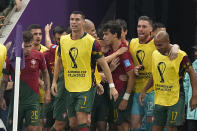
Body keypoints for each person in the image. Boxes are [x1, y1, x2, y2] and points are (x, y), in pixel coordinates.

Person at [51, 11, 118, 131]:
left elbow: (102, 64)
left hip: (85, 87)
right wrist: (54, 82)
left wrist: (111, 86)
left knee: (83, 119)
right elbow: (59, 62)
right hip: (68, 86)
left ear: (83, 22)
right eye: (72, 19)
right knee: (72, 123)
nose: (74, 22)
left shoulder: (92, 43)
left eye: (77, 20)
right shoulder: (63, 40)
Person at [139, 31, 197, 131]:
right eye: (156, 45)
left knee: (171, 127)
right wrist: (144, 90)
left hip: (176, 98)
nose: (158, 47)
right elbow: (154, 74)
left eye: (160, 45)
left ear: (168, 41)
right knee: (156, 127)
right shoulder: (155, 54)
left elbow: (192, 74)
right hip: (160, 98)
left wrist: (194, 96)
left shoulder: (181, 55)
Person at [129, 16, 179, 131]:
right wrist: (133, 68)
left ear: (151, 29)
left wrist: (176, 47)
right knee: (134, 125)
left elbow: (173, 46)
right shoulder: (132, 42)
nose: (141, 29)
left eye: (144, 27)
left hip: (153, 92)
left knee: (152, 125)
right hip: (137, 90)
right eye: (139, 26)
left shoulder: (156, 43)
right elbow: (126, 60)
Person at [0, 31, 51, 130]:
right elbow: (5, 80)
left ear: (32, 43)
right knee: (13, 128)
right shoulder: (11, 58)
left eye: (29, 46)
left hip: (33, 101)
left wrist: (47, 91)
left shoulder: (39, 56)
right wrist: (1, 97)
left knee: (33, 128)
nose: (27, 49)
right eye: (25, 47)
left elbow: (45, 72)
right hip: (16, 101)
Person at [102, 20, 136, 131]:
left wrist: (125, 98)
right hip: (112, 92)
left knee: (123, 125)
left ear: (115, 34)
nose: (104, 37)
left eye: (106, 34)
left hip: (121, 93)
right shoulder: (111, 50)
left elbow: (131, 76)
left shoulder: (124, 52)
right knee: (115, 124)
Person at [44, 23, 68, 131]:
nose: (61, 41)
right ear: (55, 39)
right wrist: (46, 31)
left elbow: (48, 43)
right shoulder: (56, 48)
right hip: (56, 90)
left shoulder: (70, 48)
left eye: (63, 38)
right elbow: (48, 43)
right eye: (58, 39)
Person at [184, 47, 197, 131]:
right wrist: (187, 103)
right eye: (196, 51)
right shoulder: (193, 65)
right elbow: (186, 85)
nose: (195, 53)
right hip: (192, 111)